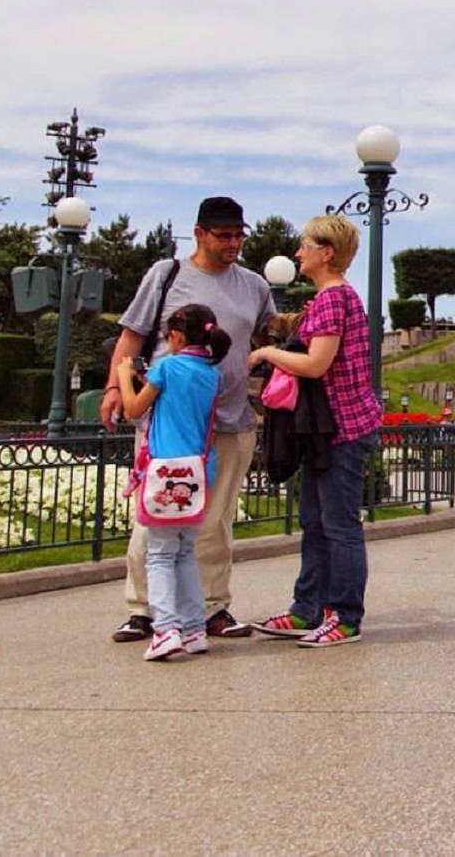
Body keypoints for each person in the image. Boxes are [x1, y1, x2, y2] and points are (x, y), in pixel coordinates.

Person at [104, 196, 273, 644]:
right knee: (153, 516)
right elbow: (131, 337)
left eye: (239, 235)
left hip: (231, 417)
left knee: (214, 519)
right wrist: (112, 388)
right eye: (224, 235)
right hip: (168, 423)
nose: (233, 243)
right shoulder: (167, 275)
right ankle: (144, 610)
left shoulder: (254, 285)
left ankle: (211, 608)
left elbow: (267, 334)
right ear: (199, 233)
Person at [245, 215, 384, 648]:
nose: (298, 252)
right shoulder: (333, 298)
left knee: (338, 525)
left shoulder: (331, 298)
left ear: (326, 252)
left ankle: (344, 617)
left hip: (340, 427)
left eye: (305, 245)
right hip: (329, 428)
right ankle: (307, 609)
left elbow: (316, 364)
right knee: (316, 521)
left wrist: (267, 352)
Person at [114, 304, 230, 661]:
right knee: (184, 553)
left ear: (176, 336)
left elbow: (134, 408)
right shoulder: (213, 373)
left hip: (165, 470)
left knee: (160, 555)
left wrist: (123, 374)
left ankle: (165, 629)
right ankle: (194, 627)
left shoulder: (166, 366)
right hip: (198, 470)